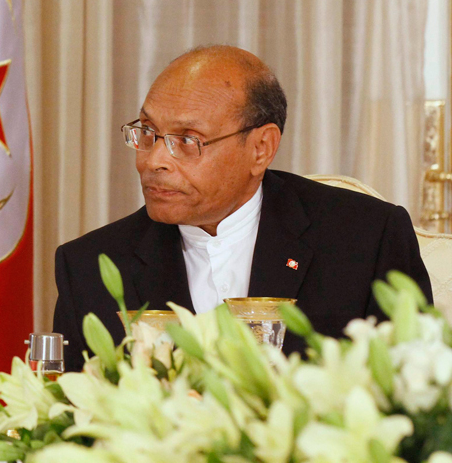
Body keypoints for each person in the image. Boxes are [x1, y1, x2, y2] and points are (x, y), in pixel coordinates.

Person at [52, 45, 432, 371]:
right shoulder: (91, 266)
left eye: (187, 139)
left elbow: (417, 393)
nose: (154, 161)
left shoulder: (365, 238)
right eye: (147, 133)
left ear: (261, 148)